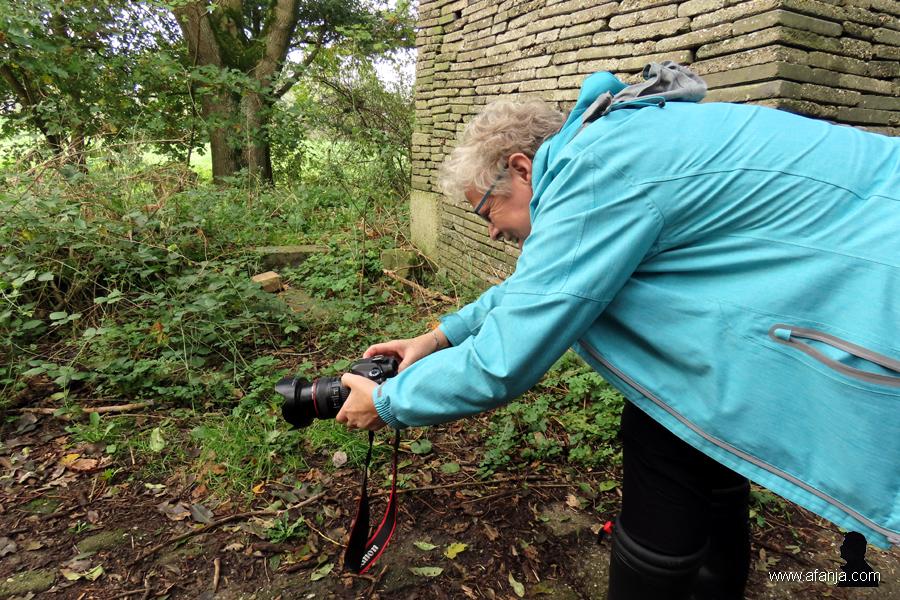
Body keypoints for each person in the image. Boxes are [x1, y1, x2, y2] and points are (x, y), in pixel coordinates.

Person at [335, 63, 900, 599]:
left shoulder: (597, 171)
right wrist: (438, 338)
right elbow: (540, 285)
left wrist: (389, 403)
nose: (491, 234)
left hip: (879, 290)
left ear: (522, 169)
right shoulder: (614, 142)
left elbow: (505, 360)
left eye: (487, 212)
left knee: (666, 438)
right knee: (679, 431)